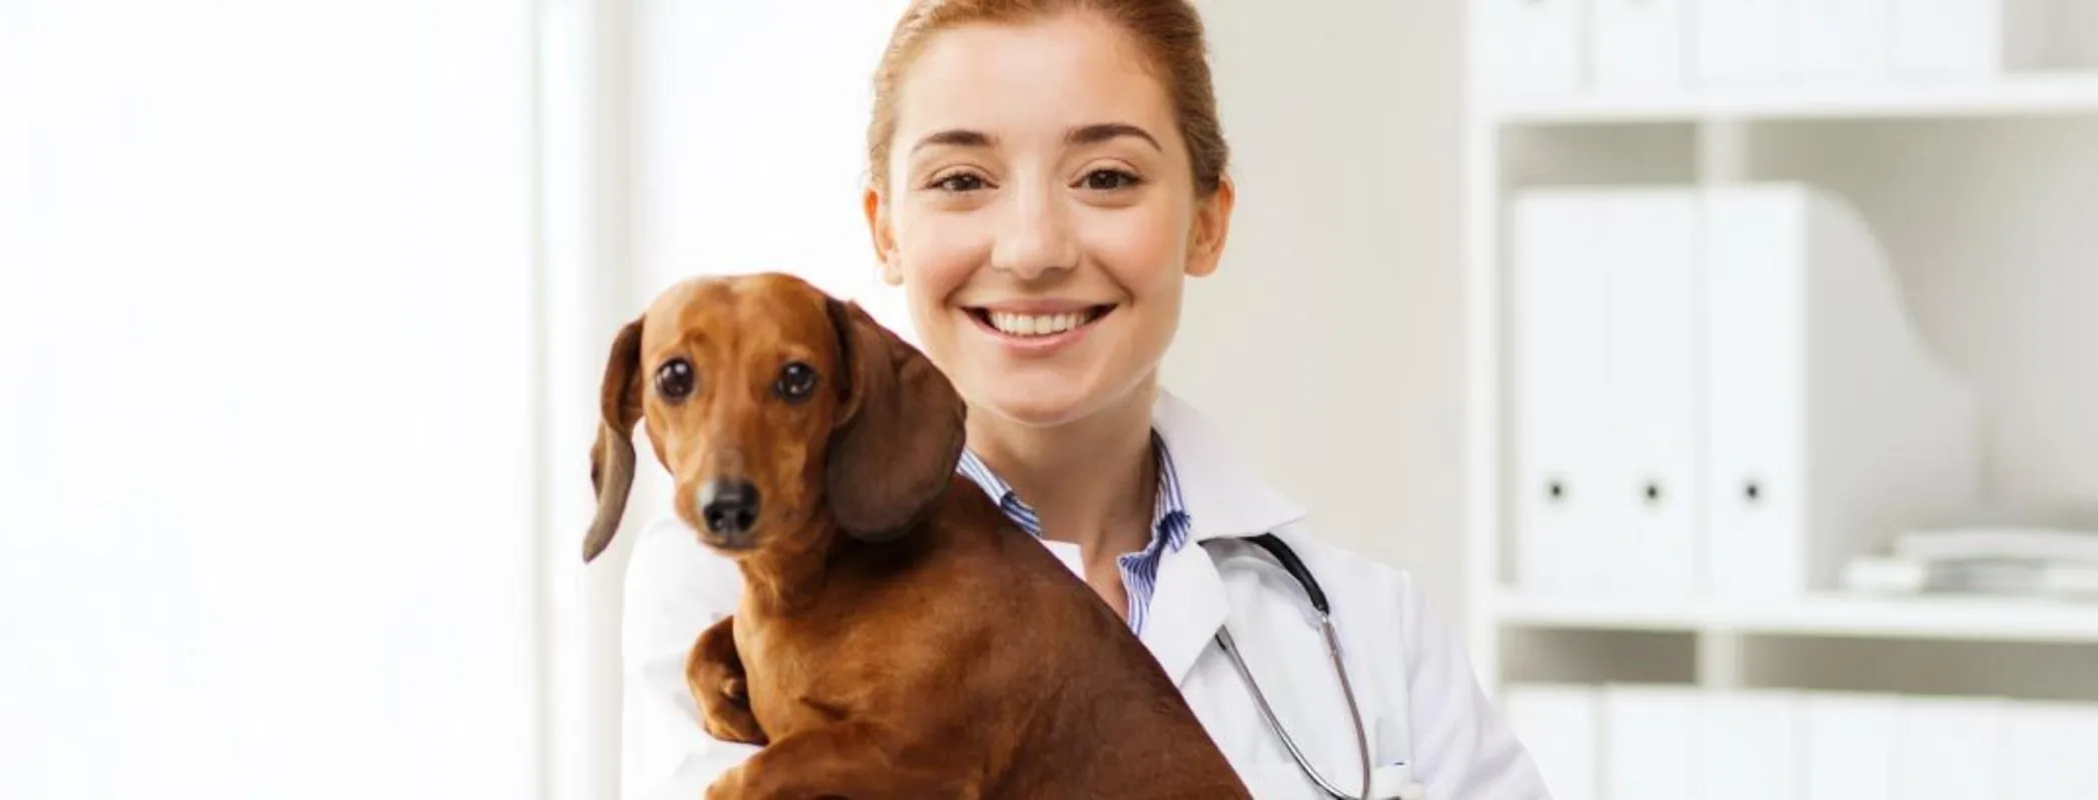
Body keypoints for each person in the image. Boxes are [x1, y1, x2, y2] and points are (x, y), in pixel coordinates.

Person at [617, 1, 1550, 797]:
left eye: (1106, 177)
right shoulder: (722, 582)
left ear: (1207, 220)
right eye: (961, 180)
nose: (1032, 248)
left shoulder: (1365, 631)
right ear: (886, 229)